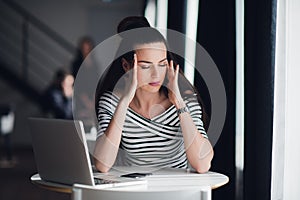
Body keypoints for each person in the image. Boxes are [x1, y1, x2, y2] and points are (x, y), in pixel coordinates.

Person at [94, 16, 213, 173]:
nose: (156, 75)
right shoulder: (112, 102)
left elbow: (202, 164)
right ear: (126, 66)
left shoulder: (185, 100)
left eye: (162, 64)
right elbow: (102, 165)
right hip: (134, 191)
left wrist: (178, 102)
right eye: (145, 66)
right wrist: (124, 103)